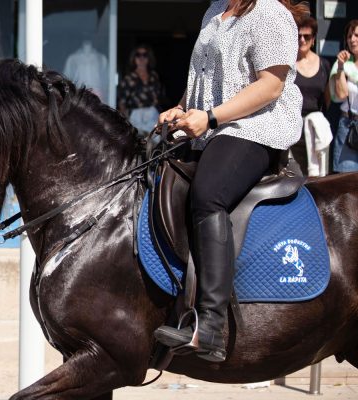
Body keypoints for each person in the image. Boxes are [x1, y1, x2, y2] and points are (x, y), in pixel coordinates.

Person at [153, 0, 306, 362]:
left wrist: (210, 117)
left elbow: (270, 86)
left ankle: (210, 325)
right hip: (211, 127)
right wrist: (182, 108)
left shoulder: (270, 13)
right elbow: (205, 80)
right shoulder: (214, 11)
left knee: (209, 195)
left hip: (258, 128)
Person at [292, 15, 331, 175]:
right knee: (295, 176)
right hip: (294, 127)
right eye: (299, 36)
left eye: (306, 36)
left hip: (316, 129)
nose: (302, 40)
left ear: (313, 39)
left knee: (318, 177)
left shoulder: (324, 65)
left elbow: (327, 100)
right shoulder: (289, 64)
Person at [117, 45, 168, 135]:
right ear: (134, 58)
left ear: (149, 58)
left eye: (145, 55)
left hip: (153, 114)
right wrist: (124, 122)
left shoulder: (154, 76)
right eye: (138, 55)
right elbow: (122, 103)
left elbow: (159, 98)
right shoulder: (129, 78)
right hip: (136, 116)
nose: (141, 58)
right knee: (138, 143)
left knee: (155, 142)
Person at [329, 19, 358, 173]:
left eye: (357, 35)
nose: (352, 39)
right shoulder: (343, 65)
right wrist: (340, 66)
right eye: (349, 36)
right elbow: (341, 94)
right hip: (349, 125)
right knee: (347, 179)